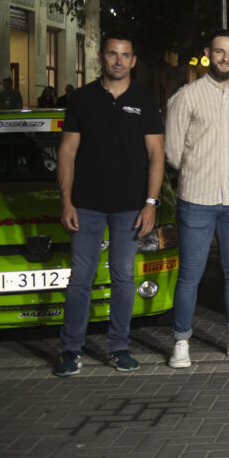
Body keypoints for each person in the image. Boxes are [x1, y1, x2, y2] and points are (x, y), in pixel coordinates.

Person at [54, 35, 165, 376]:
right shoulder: (81, 98)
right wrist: (66, 201)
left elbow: (156, 155)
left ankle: (118, 348)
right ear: (101, 58)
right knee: (81, 279)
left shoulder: (145, 100)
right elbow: (67, 152)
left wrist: (150, 203)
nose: (119, 60)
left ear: (133, 61)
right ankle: (71, 350)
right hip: (85, 205)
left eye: (125, 55)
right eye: (113, 54)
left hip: (130, 207)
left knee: (123, 276)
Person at [165, 30, 229, 368]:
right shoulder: (186, 96)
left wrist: (227, 167)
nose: (225, 58)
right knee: (190, 274)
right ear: (208, 53)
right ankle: (181, 341)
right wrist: (200, 170)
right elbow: (173, 150)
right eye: (220, 52)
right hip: (196, 199)